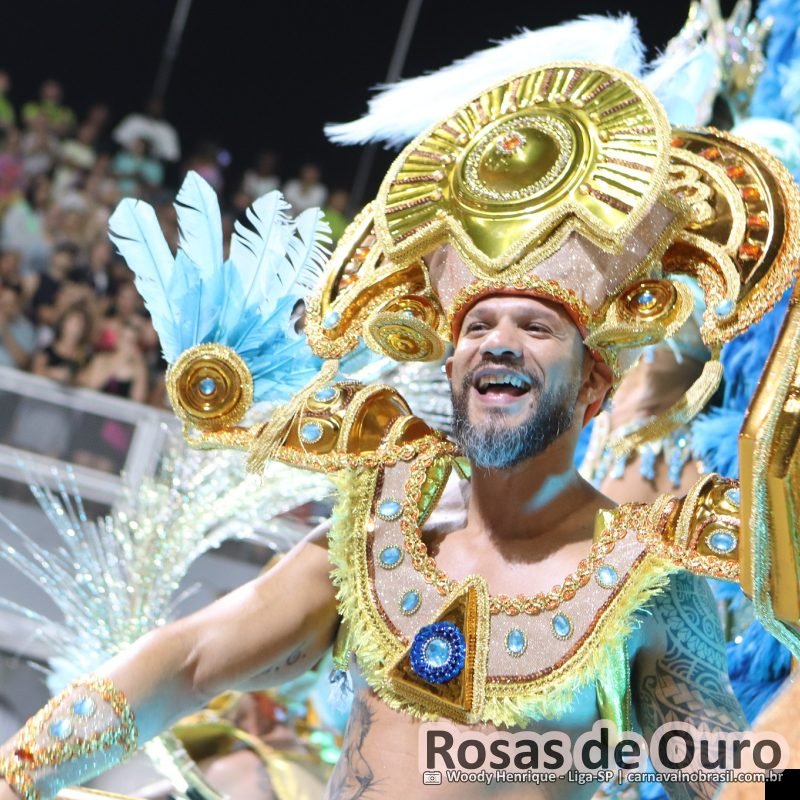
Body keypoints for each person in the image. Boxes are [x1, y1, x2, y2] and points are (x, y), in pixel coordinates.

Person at [2, 60, 798, 800]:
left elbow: (727, 781)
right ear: (451, 369)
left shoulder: (649, 581)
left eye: (535, 326)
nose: (496, 340)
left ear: (593, 383)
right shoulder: (380, 530)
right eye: (477, 324)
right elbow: (190, 658)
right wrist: (22, 769)